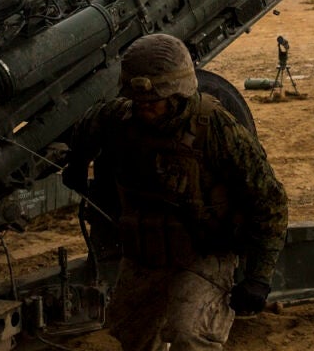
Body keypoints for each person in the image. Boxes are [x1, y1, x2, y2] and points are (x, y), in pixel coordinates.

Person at [63, 33, 288, 351]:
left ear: (178, 94)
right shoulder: (119, 117)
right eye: (138, 101)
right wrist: (76, 164)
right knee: (129, 334)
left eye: (152, 102)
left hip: (202, 253)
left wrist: (258, 277)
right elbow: (89, 125)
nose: (143, 108)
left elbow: (270, 201)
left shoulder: (217, 129)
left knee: (189, 335)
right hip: (144, 252)